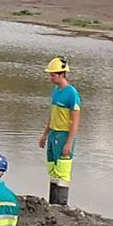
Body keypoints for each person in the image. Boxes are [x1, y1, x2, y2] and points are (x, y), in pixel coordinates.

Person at [40, 57, 82, 205]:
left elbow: (75, 121)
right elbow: (53, 115)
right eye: (50, 75)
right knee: (52, 170)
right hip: (53, 134)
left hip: (64, 136)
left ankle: (61, 207)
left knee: (63, 173)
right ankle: (52, 205)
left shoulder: (72, 94)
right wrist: (45, 135)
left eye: (53, 75)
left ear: (62, 74)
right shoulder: (56, 91)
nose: (50, 78)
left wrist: (69, 143)